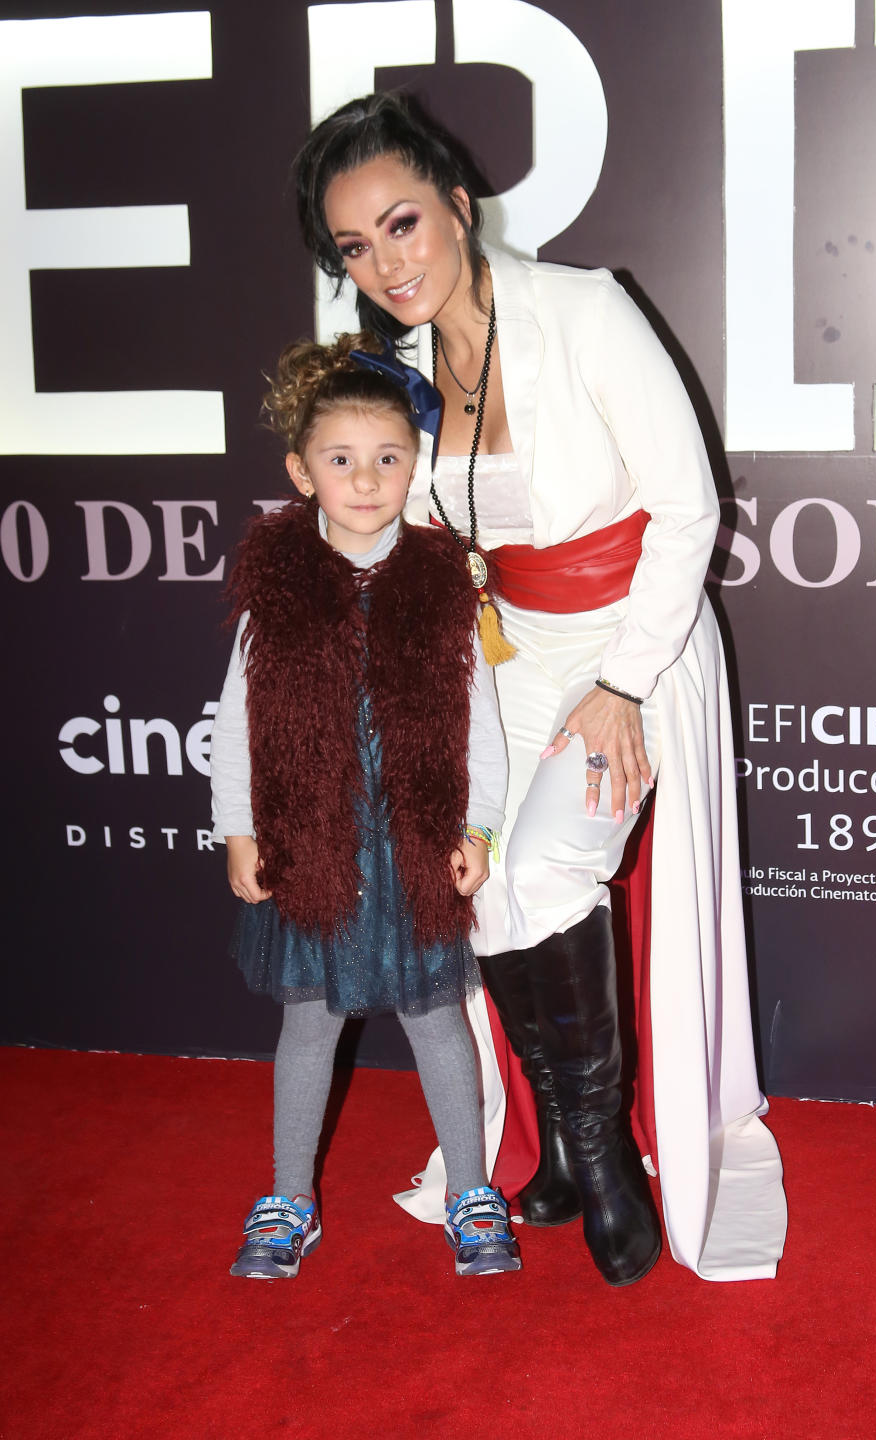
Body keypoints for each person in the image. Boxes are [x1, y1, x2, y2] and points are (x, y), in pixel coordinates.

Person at [292, 93, 788, 1286]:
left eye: (401, 223)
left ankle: (606, 1159)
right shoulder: (396, 372)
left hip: (636, 642)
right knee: (476, 870)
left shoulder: (585, 310)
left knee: (552, 858)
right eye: (354, 247)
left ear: (460, 207)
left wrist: (624, 681)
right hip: (505, 652)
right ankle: (568, 1145)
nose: (386, 262)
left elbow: (688, 506)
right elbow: (397, 536)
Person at [210, 334, 521, 1280]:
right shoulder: (277, 590)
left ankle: (472, 1191)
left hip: (413, 843)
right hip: (314, 844)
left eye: (388, 458)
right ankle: (288, 1199)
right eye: (341, 460)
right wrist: (240, 827)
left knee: (438, 1020)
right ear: (303, 472)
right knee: (308, 1024)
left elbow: (481, 722)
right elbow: (238, 717)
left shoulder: (446, 584)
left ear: (413, 465)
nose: (367, 478)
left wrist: (478, 827)